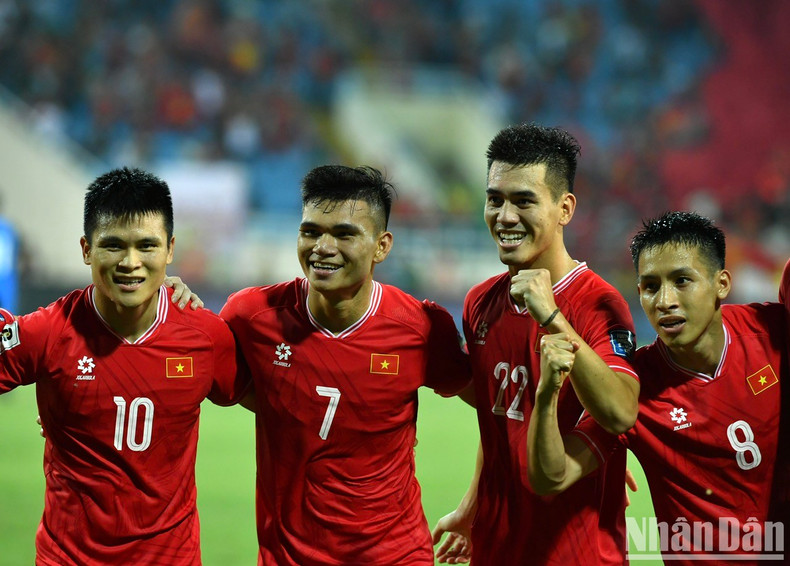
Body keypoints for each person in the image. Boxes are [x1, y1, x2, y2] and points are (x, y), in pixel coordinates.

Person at [217, 165, 472, 565]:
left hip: (396, 556)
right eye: (310, 231)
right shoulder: (251, 316)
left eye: (344, 234)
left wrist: (476, 503)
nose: (322, 247)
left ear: (382, 246)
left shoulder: (421, 328)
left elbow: (496, 413)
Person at [0, 167, 249, 565]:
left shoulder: (205, 336)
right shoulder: (49, 332)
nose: (130, 262)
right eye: (113, 245)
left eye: (147, 246)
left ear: (170, 249)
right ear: (86, 249)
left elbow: (278, 400)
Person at [432, 123, 640, 565]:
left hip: (577, 554)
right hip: (497, 548)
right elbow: (501, 417)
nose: (505, 216)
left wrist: (551, 317)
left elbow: (621, 413)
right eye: (495, 199)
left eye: (524, 201)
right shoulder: (480, 301)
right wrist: (471, 506)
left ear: (565, 209)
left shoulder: (599, 303)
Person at [528, 211, 788, 563]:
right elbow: (553, 476)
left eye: (682, 281)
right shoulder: (634, 387)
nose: (665, 301)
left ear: (722, 283)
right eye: (651, 286)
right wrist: (545, 396)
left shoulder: (773, 332)